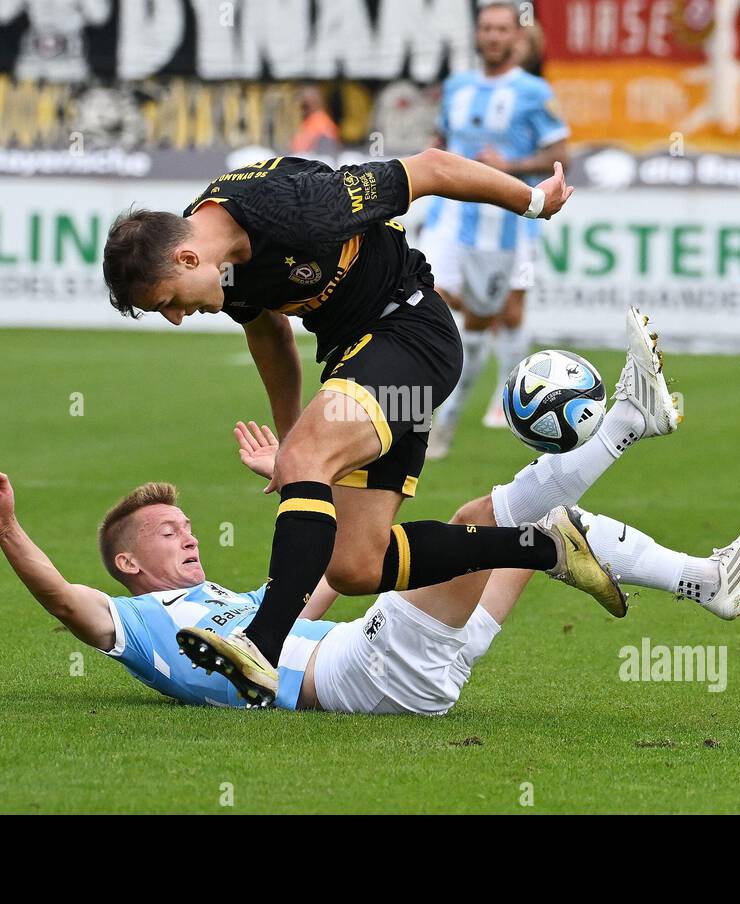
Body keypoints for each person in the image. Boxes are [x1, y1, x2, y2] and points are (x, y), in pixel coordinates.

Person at [0, 312, 740, 714]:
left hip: (385, 654)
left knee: (545, 533)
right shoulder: (137, 622)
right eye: (169, 534)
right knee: (479, 521)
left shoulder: (232, 609)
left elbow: (332, 578)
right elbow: (68, 602)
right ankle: (629, 422)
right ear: (130, 564)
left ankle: (707, 581)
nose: (190, 534)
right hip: (370, 673)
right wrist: (8, 531)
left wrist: (293, 478)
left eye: (186, 523)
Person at [99, 132, 671, 704]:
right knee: (355, 564)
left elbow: (430, 169)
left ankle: (262, 647)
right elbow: (269, 337)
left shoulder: (296, 208)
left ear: (186, 257)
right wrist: (294, 450)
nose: (176, 318)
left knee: (312, 466)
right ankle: (546, 549)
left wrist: (533, 202)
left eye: (168, 302)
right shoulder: (226, 264)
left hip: (412, 335)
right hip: (359, 361)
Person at [422, 1, 571, 458]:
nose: (491, 36)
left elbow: (560, 153)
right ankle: (422, 414)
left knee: (493, 318)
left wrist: (511, 167)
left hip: (505, 225)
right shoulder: (457, 87)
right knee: (421, 299)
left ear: (516, 37)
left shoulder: (533, 91)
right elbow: (442, 141)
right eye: (485, 28)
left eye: (501, 29)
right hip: (448, 218)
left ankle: (454, 417)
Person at [289, 85, 341, 156]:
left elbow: (327, 153)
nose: (302, 108)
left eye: (306, 104)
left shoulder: (322, 122)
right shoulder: (308, 121)